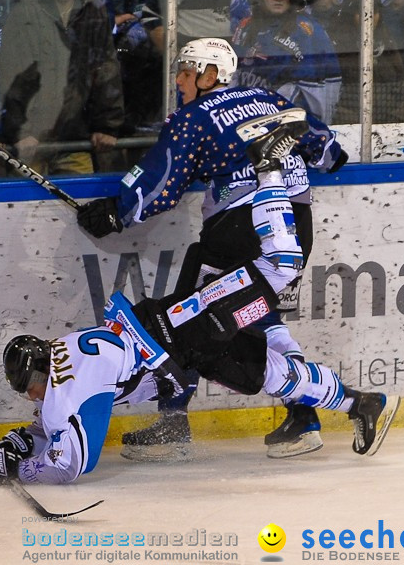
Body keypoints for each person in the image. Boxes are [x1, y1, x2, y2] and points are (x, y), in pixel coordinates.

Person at [74, 37, 348, 461]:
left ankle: (172, 427)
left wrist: (116, 211)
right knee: (260, 315)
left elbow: (160, 183)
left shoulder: (195, 116)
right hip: (296, 226)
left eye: (187, 72)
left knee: (182, 319)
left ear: (210, 75)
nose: (180, 81)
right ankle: (304, 415)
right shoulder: (267, 98)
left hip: (241, 228)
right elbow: (328, 151)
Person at [0, 285, 400, 485]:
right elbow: (52, 422)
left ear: (37, 377)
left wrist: (16, 467)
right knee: (263, 354)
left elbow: (74, 464)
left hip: (184, 347)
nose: (32, 400)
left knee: (270, 372)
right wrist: (17, 442)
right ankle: (175, 427)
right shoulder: (65, 350)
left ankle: (361, 402)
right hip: (168, 332)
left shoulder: (69, 384)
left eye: (29, 391)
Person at [0, 0, 125, 175]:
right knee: (27, 204)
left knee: (81, 203)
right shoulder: (25, 12)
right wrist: (22, 130)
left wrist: (106, 126)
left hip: (76, 139)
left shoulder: (94, 10)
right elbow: (12, 75)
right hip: (32, 142)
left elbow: (106, 71)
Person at [231, 0, 342, 124]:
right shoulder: (246, 26)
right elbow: (233, 77)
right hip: (245, 119)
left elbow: (314, 97)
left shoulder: (306, 32)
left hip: (288, 125)